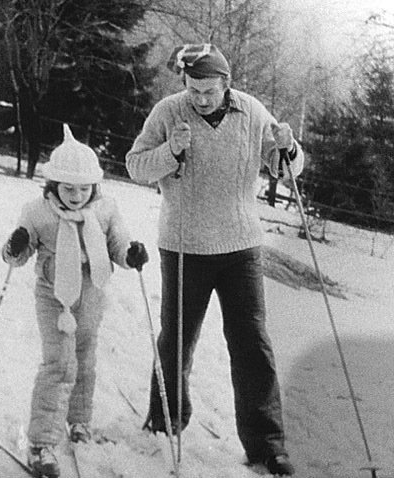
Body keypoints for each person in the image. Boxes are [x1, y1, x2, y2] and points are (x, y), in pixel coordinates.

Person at [125, 43, 304, 476]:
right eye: (193, 89)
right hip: (185, 245)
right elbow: (135, 166)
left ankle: (267, 444)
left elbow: (287, 171)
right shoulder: (169, 112)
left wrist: (289, 147)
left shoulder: (252, 113)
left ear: (227, 84)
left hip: (240, 246)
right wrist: (170, 151)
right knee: (178, 338)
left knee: (251, 344)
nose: (201, 99)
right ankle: (165, 422)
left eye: (209, 90)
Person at [2, 124, 149, 478]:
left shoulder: (105, 210)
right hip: (53, 295)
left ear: (94, 186)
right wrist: (17, 244)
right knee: (59, 364)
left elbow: (118, 246)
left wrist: (132, 254)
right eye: (68, 188)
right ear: (53, 184)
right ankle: (42, 441)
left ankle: (79, 421)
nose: (76, 195)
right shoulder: (37, 211)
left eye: (84, 189)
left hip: (92, 291)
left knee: (85, 359)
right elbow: (16, 258)